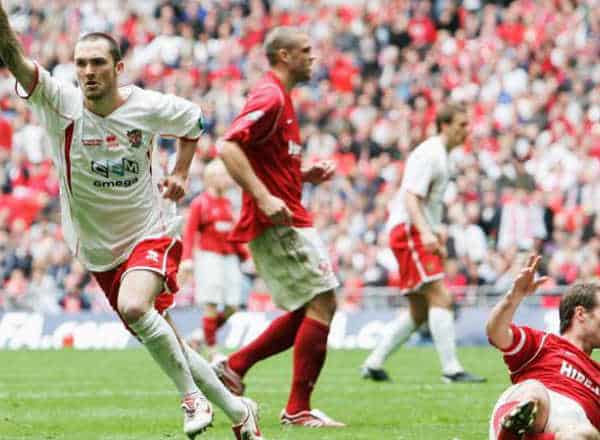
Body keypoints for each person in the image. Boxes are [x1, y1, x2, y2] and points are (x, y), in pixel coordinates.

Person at [0, 4, 262, 439]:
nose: (88, 71)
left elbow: (194, 122)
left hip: (150, 232)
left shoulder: (147, 106)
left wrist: (180, 172)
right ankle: (239, 411)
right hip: (98, 250)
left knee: (135, 306)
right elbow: (11, 54)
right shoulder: (58, 102)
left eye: (98, 63)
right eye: (81, 63)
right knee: (170, 341)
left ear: (118, 67)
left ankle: (190, 399)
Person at [214, 26, 345, 428]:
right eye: (305, 51)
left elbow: (268, 161)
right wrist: (265, 197)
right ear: (284, 56)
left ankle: (235, 367)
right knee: (323, 301)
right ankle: (296, 408)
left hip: (287, 212)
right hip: (277, 218)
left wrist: (303, 174)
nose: (313, 57)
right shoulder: (270, 96)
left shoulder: (281, 98)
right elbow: (227, 146)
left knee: (315, 304)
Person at [361, 103, 485, 383]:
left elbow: (425, 200)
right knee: (441, 296)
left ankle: (374, 362)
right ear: (444, 125)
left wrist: (434, 229)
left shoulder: (441, 155)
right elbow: (411, 196)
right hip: (409, 230)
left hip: (413, 229)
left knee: (418, 311)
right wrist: (425, 232)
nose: (467, 130)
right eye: (461, 124)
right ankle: (451, 369)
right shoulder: (431, 154)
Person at [487, 255, 600, 440]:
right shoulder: (542, 343)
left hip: (569, 428)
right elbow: (496, 333)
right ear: (580, 313)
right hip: (531, 407)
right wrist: (514, 297)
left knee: (585, 434)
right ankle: (510, 431)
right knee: (533, 392)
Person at [181, 158, 247, 358]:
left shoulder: (227, 203)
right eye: (223, 175)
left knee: (232, 306)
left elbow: (231, 234)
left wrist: (245, 255)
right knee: (211, 303)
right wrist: (187, 259)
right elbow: (190, 232)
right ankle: (212, 349)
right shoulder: (200, 203)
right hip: (209, 257)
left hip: (229, 258)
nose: (227, 179)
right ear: (211, 178)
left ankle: (199, 336)